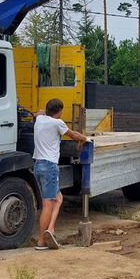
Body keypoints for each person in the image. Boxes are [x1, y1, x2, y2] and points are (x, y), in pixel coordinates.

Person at [33, 98, 90, 250]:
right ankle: (42, 241)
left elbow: (39, 113)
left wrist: (45, 111)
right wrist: (85, 138)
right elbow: (73, 135)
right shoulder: (57, 123)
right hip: (50, 166)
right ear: (59, 111)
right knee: (48, 203)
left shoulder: (39, 119)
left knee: (58, 198)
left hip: (38, 165)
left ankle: (50, 229)